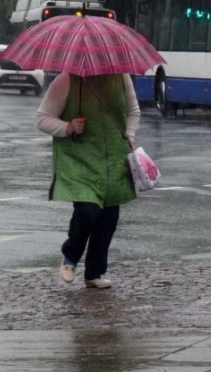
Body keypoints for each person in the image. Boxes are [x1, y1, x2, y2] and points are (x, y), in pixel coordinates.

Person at [36, 72, 140, 289]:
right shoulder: (66, 81)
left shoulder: (121, 79)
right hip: (79, 160)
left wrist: (129, 135)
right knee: (87, 211)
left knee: (109, 217)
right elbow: (43, 118)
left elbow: (133, 111)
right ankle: (71, 256)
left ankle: (94, 272)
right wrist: (69, 127)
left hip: (112, 160)